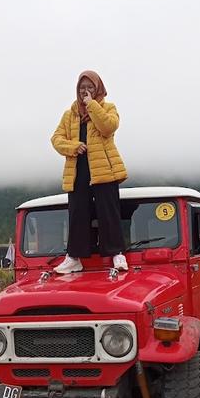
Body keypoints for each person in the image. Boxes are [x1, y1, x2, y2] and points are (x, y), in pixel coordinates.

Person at [51, 70, 128, 273]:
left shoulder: (108, 107)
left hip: (104, 168)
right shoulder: (70, 114)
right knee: (77, 212)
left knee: (108, 211)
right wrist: (73, 146)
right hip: (78, 168)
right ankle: (74, 257)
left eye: (90, 88)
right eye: (82, 88)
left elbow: (108, 127)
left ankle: (117, 254)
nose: (85, 92)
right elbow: (56, 139)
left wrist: (91, 104)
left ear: (98, 89)